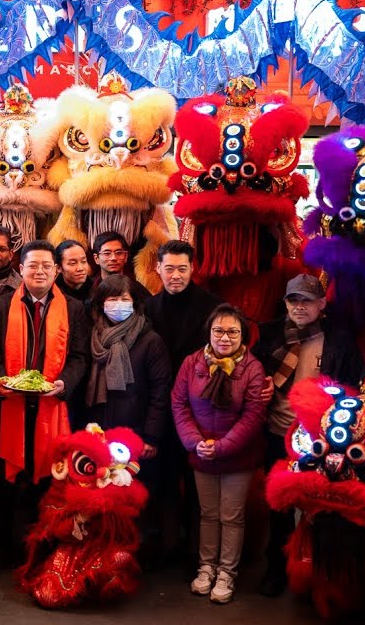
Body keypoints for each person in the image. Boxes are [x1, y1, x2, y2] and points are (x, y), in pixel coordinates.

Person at [0, 240, 90, 575]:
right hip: (10, 405)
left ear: (56, 270)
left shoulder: (73, 308)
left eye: (46, 266)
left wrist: (64, 384)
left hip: (51, 407)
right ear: (21, 269)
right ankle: (0, 552)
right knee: (3, 480)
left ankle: (41, 552)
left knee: (45, 482)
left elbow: (79, 357)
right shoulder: (1, 305)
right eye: (32, 265)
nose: (39, 271)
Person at [252, 273, 365, 597]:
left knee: (321, 509)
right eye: (293, 300)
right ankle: (276, 570)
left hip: (322, 439)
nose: (299, 307)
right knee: (279, 506)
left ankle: (318, 573)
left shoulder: (340, 340)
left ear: (321, 303)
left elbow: (353, 388)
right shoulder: (272, 334)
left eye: (306, 300)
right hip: (277, 430)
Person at [171, 304, 269, 604]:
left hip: (237, 455)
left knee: (232, 516)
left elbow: (254, 414)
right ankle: (206, 568)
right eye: (218, 331)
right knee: (207, 514)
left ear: (243, 335)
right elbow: (179, 404)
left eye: (232, 332)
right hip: (201, 451)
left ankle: (227, 572)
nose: (224, 338)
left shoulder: (253, 368)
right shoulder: (192, 363)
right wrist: (194, 441)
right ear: (209, 333)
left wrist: (222, 446)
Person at [142, 239, 224, 571]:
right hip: (160, 405)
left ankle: (198, 551)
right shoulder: (148, 308)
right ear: (158, 269)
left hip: (201, 407)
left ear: (193, 269)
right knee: (163, 477)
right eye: (169, 269)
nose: (175, 275)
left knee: (198, 481)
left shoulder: (214, 307)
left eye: (182, 268)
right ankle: (165, 544)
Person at [82, 274, 172, 443]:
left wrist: (151, 436)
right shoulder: (92, 336)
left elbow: (160, 391)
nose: (119, 304)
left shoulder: (150, 340)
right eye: (113, 299)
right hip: (96, 428)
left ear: (134, 303)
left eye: (124, 299)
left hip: (135, 429)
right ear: (102, 303)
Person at [93, 231, 149, 305]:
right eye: (107, 253)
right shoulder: (88, 288)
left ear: (126, 256)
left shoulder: (137, 289)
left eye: (119, 253)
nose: (113, 258)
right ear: (96, 258)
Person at [54, 239, 93, 304]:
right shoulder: (52, 295)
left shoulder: (96, 290)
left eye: (83, 261)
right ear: (59, 268)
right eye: (73, 263)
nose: (80, 268)